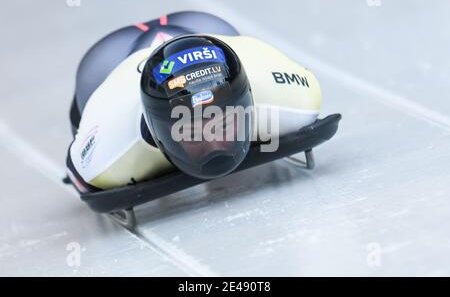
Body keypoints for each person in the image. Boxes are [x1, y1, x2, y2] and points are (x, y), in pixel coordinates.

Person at [66, 11, 322, 191]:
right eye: (191, 132)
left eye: (222, 125)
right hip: (112, 60)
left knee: (225, 35)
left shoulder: (290, 96)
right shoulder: (110, 152)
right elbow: (79, 164)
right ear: (159, 131)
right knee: (91, 81)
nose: (214, 144)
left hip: (208, 29)